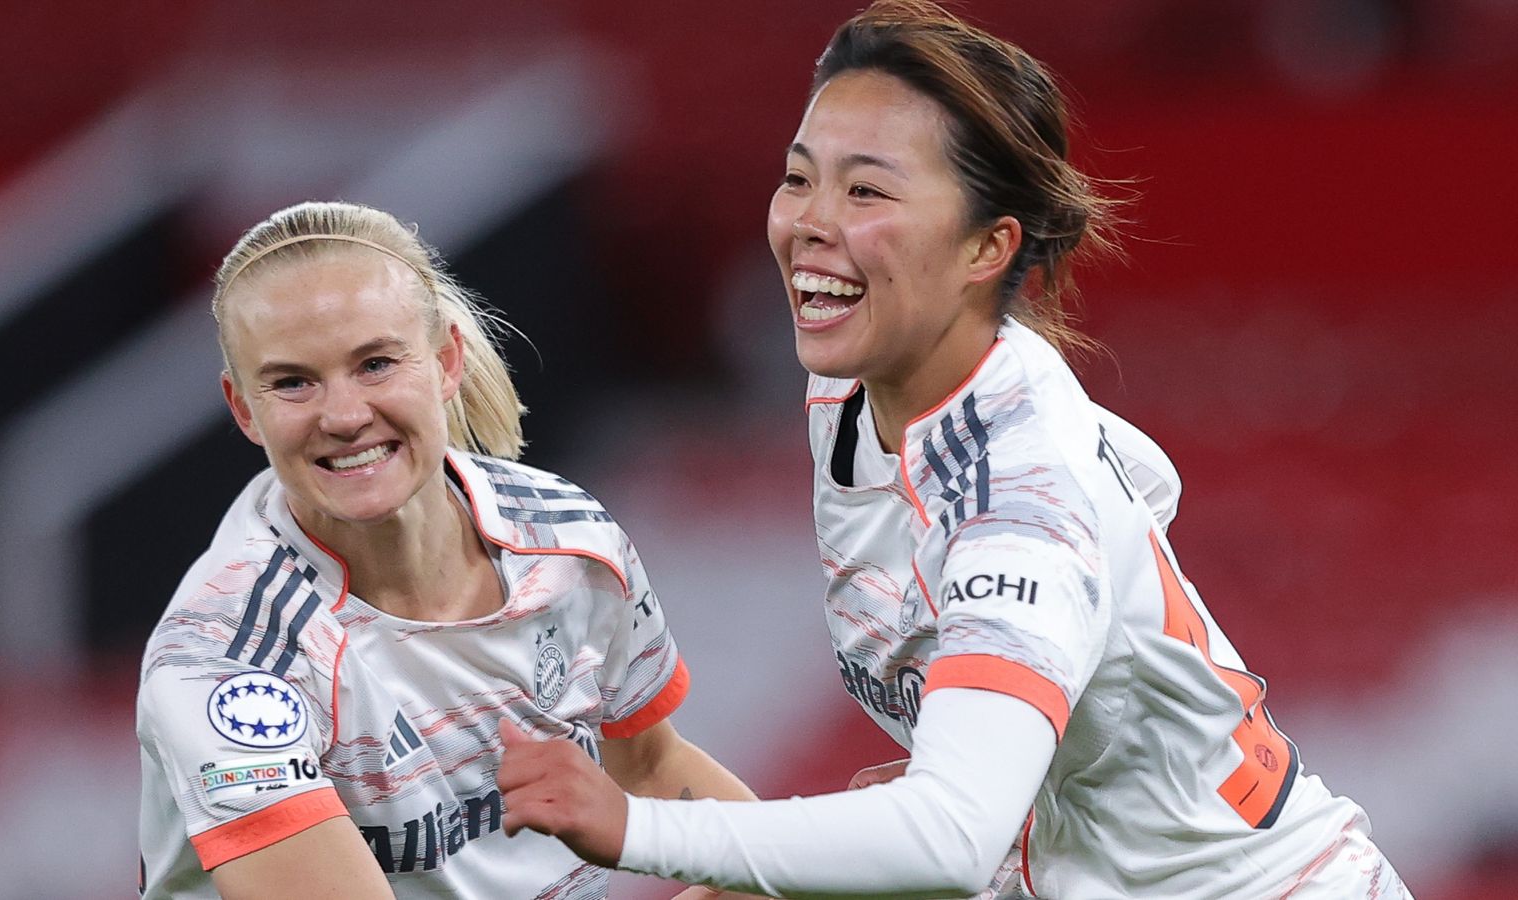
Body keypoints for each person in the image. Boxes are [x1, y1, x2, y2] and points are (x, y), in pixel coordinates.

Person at [494, 2, 1413, 897]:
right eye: (799, 178)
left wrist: (634, 828)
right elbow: (1143, 482)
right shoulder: (861, 381)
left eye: (866, 191)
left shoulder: (1018, 498)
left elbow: (949, 840)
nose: (809, 221)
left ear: (987, 247)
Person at [135, 200, 759, 899]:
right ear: (243, 408)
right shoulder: (224, 663)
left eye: (375, 364)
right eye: (292, 383)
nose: (344, 416)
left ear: (446, 361)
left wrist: (802, 865)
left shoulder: (568, 540)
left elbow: (648, 767)